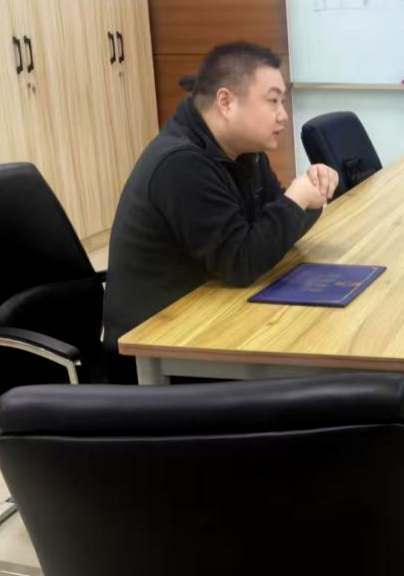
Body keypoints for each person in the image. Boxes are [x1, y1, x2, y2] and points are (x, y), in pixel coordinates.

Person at [103, 42, 339, 381]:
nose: (283, 114)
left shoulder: (244, 151)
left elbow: (270, 234)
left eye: (283, 101)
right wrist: (295, 200)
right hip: (156, 358)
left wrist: (310, 196)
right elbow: (241, 262)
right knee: (319, 369)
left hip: (208, 320)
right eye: (272, 101)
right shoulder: (181, 164)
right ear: (226, 102)